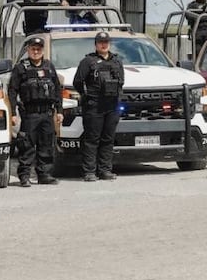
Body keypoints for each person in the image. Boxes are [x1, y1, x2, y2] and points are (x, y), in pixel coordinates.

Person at [7, 36, 63, 186]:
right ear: (28, 50)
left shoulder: (49, 67)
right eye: (33, 49)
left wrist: (59, 111)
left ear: (43, 50)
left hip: (47, 113)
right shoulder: (21, 68)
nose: (36, 51)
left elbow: (57, 89)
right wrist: (12, 113)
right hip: (29, 114)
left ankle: (44, 174)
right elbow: (12, 91)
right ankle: (24, 176)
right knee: (27, 146)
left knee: (46, 145)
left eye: (39, 49)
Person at [72, 31, 125, 181]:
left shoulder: (117, 61)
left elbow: (121, 82)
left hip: (112, 105)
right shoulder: (88, 61)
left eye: (106, 42)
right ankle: (89, 171)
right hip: (94, 105)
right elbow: (78, 82)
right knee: (92, 139)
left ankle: (105, 170)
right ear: (96, 44)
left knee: (108, 138)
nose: (103, 44)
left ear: (109, 44)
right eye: (101, 42)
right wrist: (86, 95)